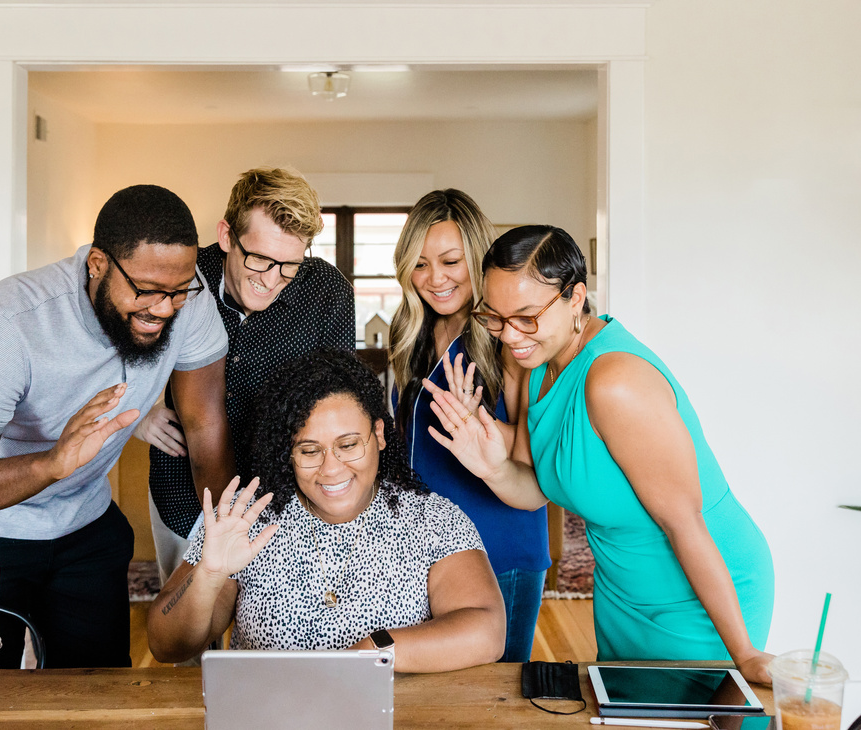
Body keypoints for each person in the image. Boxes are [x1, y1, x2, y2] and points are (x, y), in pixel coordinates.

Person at [426, 225, 775, 683]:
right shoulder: (539, 363)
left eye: (526, 316)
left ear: (575, 299)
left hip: (698, 598)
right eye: (495, 317)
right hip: (621, 591)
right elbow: (535, 491)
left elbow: (685, 524)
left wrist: (744, 654)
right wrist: (492, 466)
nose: (510, 336)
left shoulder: (614, 382)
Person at [0, 185, 235, 669]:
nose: (164, 308)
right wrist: (53, 463)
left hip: (83, 528)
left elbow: (205, 423)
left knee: (99, 690)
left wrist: (221, 538)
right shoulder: (12, 320)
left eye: (178, 291)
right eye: (145, 290)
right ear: (97, 265)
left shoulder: (190, 301)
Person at [147, 350, 506, 673]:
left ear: (378, 435)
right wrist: (208, 575)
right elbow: (166, 645)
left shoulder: (430, 518)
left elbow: (486, 628)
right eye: (308, 450)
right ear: (287, 452)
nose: (331, 469)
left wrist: (373, 651)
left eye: (348, 445)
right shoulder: (248, 517)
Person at [137, 168, 354, 583]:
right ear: (226, 236)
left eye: (289, 265)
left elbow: (341, 401)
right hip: (179, 492)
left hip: (284, 506)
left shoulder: (328, 293)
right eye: (259, 259)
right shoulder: (181, 274)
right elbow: (110, 353)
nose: (271, 280)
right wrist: (141, 414)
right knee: (186, 627)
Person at [389, 189, 551, 662]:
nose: (434, 279)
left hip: (501, 547)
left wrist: (480, 425)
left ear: (477, 259)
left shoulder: (510, 341)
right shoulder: (414, 337)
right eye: (419, 264)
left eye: (450, 261)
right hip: (426, 550)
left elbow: (537, 458)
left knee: (496, 699)